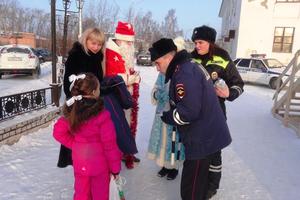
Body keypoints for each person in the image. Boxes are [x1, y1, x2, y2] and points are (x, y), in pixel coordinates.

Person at [149, 38, 232, 200]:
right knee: (197, 185)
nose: (157, 68)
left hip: (202, 139)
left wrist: (167, 116)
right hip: (205, 134)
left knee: (191, 189)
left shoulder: (184, 74)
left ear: (168, 57)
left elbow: (188, 112)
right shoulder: (187, 66)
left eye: (158, 63)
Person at [191, 25, 244, 199]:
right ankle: (198, 180)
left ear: (210, 42)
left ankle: (212, 186)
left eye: (200, 42)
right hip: (196, 114)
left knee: (214, 151)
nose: (197, 46)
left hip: (216, 114)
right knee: (197, 149)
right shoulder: (191, 59)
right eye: (195, 42)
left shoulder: (222, 58)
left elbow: (238, 84)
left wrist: (230, 93)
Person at [53, 73, 122, 200]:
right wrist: (115, 168)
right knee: (100, 195)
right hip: (100, 166)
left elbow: (58, 132)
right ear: (95, 91)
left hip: (80, 163)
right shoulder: (103, 116)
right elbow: (110, 145)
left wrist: (75, 144)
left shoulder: (72, 111)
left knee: (81, 194)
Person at [58, 27, 106, 168]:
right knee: (77, 135)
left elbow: (98, 79)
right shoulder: (76, 55)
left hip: (93, 102)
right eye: (93, 43)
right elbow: (68, 81)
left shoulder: (97, 57)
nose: (96, 47)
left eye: (99, 44)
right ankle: (78, 164)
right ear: (86, 40)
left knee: (91, 136)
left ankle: (89, 160)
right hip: (79, 103)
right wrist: (78, 96)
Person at [147, 37, 186, 180]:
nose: (157, 67)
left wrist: (169, 94)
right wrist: (158, 94)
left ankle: (174, 167)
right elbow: (156, 88)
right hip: (162, 112)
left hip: (174, 115)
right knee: (162, 139)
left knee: (174, 141)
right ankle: (164, 165)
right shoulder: (162, 72)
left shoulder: (181, 72)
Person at [105, 21, 141, 169]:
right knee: (117, 127)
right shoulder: (110, 52)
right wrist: (129, 79)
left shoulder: (123, 52)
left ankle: (127, 152)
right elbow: (110, 76)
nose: (130, 45)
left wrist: (134, 77)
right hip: (116, 97)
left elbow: (127, 71)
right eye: (127, 42)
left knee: (127, 124)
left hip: (127, 95)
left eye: (131, 42)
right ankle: (118, 153)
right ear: (119, 39)